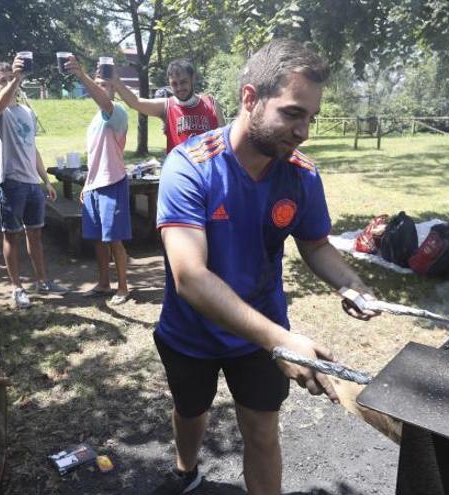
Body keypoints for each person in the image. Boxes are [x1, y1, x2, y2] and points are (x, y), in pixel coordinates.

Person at [152, 39, 380, 494]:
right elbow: (190, 278)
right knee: (191, 411)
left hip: (261, 331)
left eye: (310, 117)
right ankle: (185, 470)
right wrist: (283, 341)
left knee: (261, 432)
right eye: (293, 113)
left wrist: (350, 283)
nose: (303, 132)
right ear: (250, 99)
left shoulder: (301, 175)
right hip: (190, 332)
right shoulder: (189, 167)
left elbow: (315, 246)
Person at [0, 58, 68, 309]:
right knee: (11, 235)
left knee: (35, 235)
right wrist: (15, 79)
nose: (10, 84)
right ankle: (16, 288)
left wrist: (46, 181)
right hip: (10, 183)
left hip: (32, 184)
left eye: (11, 78)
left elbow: (32, 149)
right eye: (3, 81)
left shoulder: (27, 113)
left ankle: (42, 282)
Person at [64, 55, 131, 305]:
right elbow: (95, 157)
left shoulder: (118, 112)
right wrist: (86, 184)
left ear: (114, 87)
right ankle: (104, 283)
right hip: (94, 186)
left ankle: (123, 287)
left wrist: (81, 75)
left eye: (106, 84)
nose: (101, 88)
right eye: (98, 83)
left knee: (114, 238)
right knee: (98, 240)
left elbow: (104, 102)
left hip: (113, 182)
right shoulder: (95, 120)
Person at [111, 58, 224, 154]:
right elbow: (135, 102)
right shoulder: (166, 105)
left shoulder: (212, 104)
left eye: (183, 82)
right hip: (181, 175)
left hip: (209, 175)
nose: (179, 88)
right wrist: (116, 81)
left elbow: (224, 144)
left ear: (193, 78)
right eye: (174, 84)